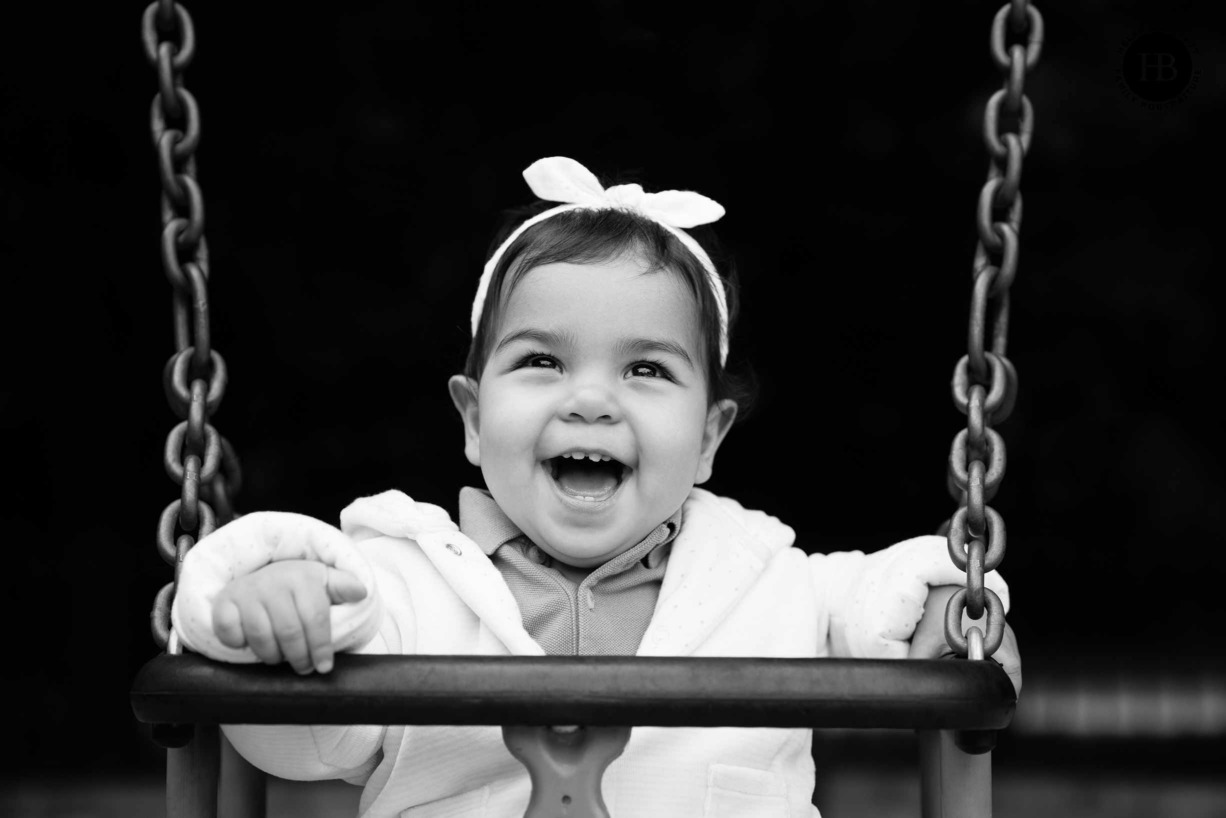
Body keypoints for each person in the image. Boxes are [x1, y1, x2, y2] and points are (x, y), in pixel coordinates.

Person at [171, 156, 1021, 817]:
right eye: (541, 361)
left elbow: (882, 607)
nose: (589, 399)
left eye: (646, 369)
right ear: (472, 419)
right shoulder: (402, 585)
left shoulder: (766, 581)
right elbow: (298, 741)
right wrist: (278, 617)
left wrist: (951, 611)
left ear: (709, 438)